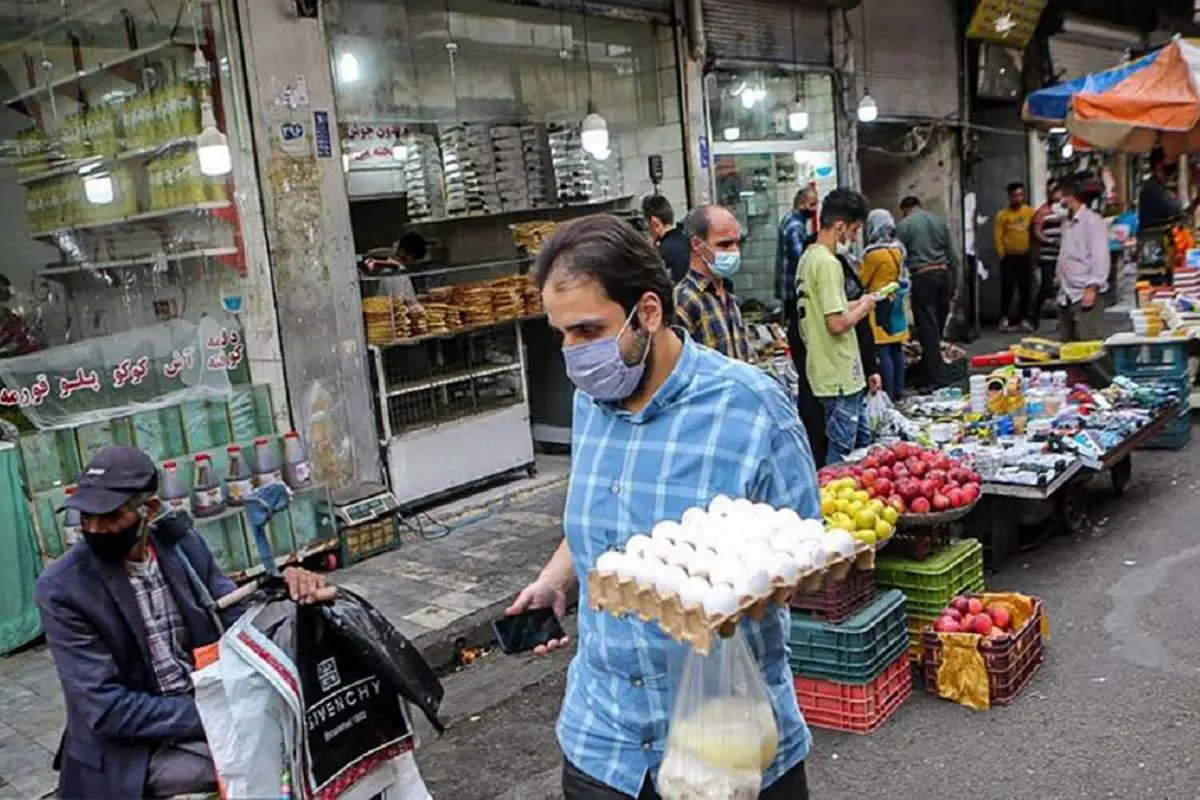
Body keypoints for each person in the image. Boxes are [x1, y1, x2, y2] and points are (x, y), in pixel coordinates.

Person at [510, 213, 815, 799]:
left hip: (725, 742)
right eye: (562, 335)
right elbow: (603, 517)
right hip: (604, 744)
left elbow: (802, 557)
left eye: (588, 331)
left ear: (647, 312)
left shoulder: (752, 407)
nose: (573, 354)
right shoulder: (591, 402)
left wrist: (719, 583)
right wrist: (556, 580)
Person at [35, 446, 328, 800]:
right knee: (257, 760)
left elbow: (237, 621)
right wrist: (213, 715)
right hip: (136, 746)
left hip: (204, 707)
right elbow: (107, 709)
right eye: (86, 518)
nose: (95, 529)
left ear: (150, 510)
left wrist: (293, 587)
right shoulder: (63, 588)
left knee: (308, 728)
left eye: (110, 517)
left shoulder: (181, 545)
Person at [798, 188, 877, 466]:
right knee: (842, 455)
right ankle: (830, 504)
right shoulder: (829, 264)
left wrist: (862, 301)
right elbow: (836, 323)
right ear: (840, 226)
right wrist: (865, 308)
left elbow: (831, 311)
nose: (854, 239)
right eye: (854, 231)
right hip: (839, 375)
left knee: (864, 447)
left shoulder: (808, 258)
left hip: (827, 371)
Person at [674, 205, 752, 361]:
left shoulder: (728, 298)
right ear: (697, 244)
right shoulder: (685, 299)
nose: (734, 251)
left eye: (737, 243)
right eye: (724, 245)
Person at [897, 196, 958, 390]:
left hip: (923, 278)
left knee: (927, 331)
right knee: (936, 331)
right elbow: (952, 255)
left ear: (904, 210)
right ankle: (929, 372)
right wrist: (954, 284)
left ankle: (936, 380)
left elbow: (898, 257)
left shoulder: (904, 226)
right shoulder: (938, 221)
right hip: (944, 275)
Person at [859, 209, 909, 399]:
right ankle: (899, 390)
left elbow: (863, 280)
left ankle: (887, 393)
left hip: (879, 304)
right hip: (896, 301)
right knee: (896, 348)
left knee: (883, 351)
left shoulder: (873, 254)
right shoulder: (898, 249)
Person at [1056, 179, 1110, 342]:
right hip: (1066, 292)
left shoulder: (1092, 221)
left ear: (1070, 197)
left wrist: (1092, 287)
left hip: (1084, 291)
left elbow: (1100, 257)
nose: (1058, 203)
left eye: (1060, 198)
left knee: (1088, 343)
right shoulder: (1067, 222)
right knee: (1067, 346)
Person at [993, 182, 1035, 332]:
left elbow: (1033, 230)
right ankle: (1004, 318)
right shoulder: (1003, 215)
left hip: (1025, 255)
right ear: (1010, 197)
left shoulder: (1029, 212)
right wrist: (1002, 254)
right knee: (1007, 289)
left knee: (1026, 289)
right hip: (1009, 257)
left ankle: (1025, 319)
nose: (1018, 198)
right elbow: (997, 236)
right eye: (1015, 196)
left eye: (1021, 195)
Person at [1032, 180, 1064, 328]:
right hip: (1047, 254)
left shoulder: (1065, 211)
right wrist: (1049, 241)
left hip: (1062, 254)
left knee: (1062, 286)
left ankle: (1061, 319)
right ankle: (1035, 314)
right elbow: (1037, 232)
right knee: (1047, 286)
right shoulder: (1043, 212)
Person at [642, 194, 690, 283]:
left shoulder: (660, 254)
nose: (648, 231)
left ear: (655, 223)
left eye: (647, 226)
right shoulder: (689, 242)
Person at [1138, 147, 1185, 233]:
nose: (1171, 174)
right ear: (1159, 166)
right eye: (1169, 167)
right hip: (1152, 237)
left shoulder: (1158, 186)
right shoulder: (1152, 188)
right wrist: (1178, 200)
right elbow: (1172, 208)